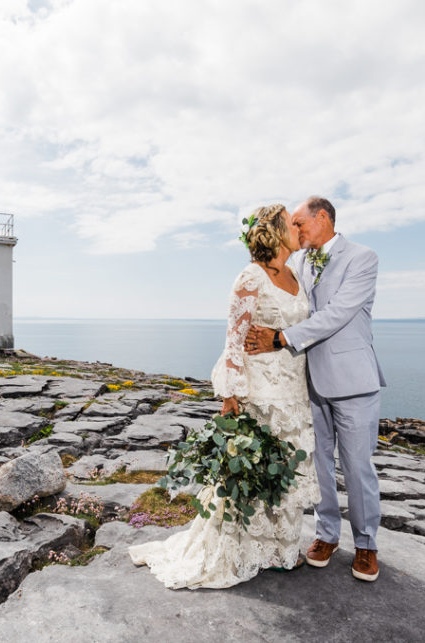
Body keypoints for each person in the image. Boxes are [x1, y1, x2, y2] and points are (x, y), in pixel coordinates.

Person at [129, 204, 319, 589]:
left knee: (286, 467)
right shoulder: (250, 276)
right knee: (257, 469)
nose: (297, 226)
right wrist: (230, 397)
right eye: (291, 221)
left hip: (294, 387)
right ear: (275, 230)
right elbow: (234, 339)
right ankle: (238, 549)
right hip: (261, 390)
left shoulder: (296, 275)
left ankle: (279, 549)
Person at [245, 196, 386, 582]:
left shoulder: (362, 257)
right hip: (307, 380)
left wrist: (280, 338)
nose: (296, 230)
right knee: (319, 464)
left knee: (357, 467)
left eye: (300, 223)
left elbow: (338, 313)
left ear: (322, 217)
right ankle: (326, 535)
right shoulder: (300, 262)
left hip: (354, 381)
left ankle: (367, 544)